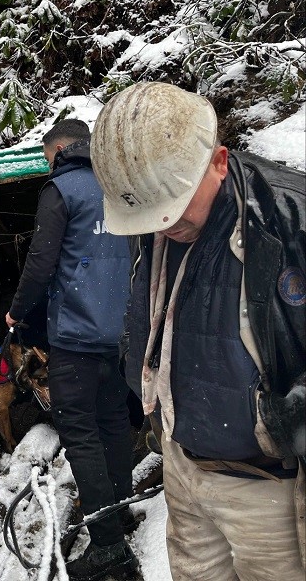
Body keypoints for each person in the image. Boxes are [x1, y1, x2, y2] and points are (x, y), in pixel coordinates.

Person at [91, 81, 306, 580]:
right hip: (183, 468)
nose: (163, 227)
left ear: (219, 161)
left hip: (266, 491)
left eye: (173, 210)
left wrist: (281, 422)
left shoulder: (288, 221)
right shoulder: (162, 218)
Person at [5, 119, 138, 580]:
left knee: (80, 434)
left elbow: (41, 262)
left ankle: (108, 547)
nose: (48, 165)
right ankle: (120, 514)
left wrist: (18, 311)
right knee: (114, 425)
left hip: (75, 337)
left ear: (59, 149)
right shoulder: (117, 188)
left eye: (47, 157)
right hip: (115, 337)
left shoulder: (61, 189)